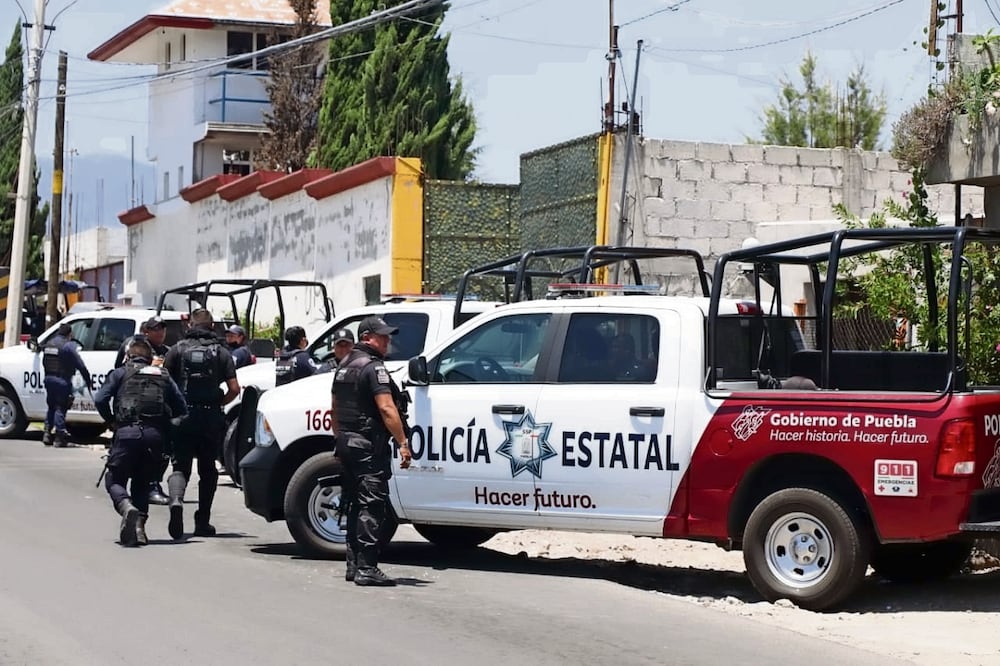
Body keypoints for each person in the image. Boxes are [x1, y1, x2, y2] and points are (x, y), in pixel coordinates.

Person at [331, 316, 412, 587]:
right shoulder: (373, 368)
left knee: (355, 501)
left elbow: (334, 409)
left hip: (347, 442)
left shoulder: (345, 365)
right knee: (372, 503)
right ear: (367, 337)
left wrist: (340, 438)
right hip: (367, 444)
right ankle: (367, 567)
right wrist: (402, 443)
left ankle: (354, 565)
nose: (387, 341)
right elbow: (387, 408)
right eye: (382, 336)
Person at [95, 339, 187, 547]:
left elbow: (101, 399)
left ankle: (126, 507)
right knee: (142, 483)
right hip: (154, 437)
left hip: (127, 433)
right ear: (150, 359)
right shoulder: (163, 376)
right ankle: (139, 529)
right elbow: (181, 409)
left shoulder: (120, 373)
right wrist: (166, 428)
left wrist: (111, 421)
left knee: (114, 479)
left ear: (128, 356)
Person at [163, 308, 240, 540]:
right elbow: (235, 389)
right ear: (212, 326)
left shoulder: (176, 351)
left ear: (190, 326)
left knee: (180, 467)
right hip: (209, 418)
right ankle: (202, 521)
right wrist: (218, 402)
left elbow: (164, 384)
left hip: (182, 417)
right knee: (208, 470)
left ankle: (176, 500)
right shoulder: (222, 353)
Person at [115, 316, 172, 505]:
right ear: (146, 331)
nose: (160, 332)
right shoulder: (134, 346)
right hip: (134, 407)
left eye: (162, 329)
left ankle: (153, 485)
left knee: (161, 452)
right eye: (156, 329)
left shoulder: (167, 351)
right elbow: (121, 371)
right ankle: (138, 490)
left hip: (158, 407)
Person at [41, 323, 93, 448]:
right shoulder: (67, 346)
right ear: (70, 334)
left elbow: (44, 362)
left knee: (51, 406)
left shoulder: (49, 344)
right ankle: (59, 437)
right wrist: (88, 379)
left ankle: (47, 433)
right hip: (61, 380)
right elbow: (80, 364)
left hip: (48, 379)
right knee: (60, 407)